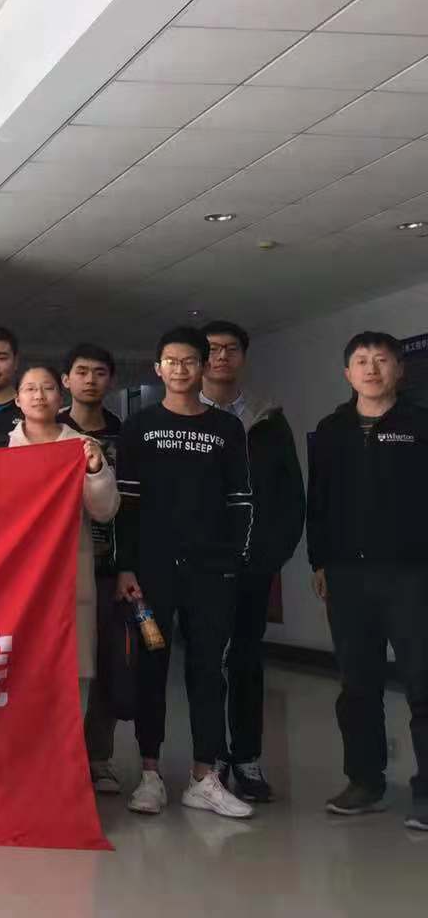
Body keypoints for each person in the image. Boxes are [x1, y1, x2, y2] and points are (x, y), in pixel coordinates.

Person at [115, 326, 254, 820]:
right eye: (171, 361)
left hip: (211, 572)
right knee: (151, 666)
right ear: (158, 369)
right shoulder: (139, 426)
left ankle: (203, 777)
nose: (180, 368)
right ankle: (150, 774)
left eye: (189, 360)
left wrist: (234, 559)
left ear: (203, 366)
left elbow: (241, 500)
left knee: (207, 671)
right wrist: (125, 565)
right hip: (151, 574)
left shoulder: (227, 429)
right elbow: (125, 504)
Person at [307, 331, 428, 831]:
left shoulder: (420, 424)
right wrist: (319, 562)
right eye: (361, 361)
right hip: (347, 576)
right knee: (357, 685)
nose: (372, 369)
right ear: (347, 373)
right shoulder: (331, 429)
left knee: (423, 681)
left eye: (381, 360)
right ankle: (365, 782)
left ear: (399, 369)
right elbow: (318, 500)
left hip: (412, 575)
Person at [200, 319, 305, 803]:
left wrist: (272, 553)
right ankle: (211, 756)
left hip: (252, 564)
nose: (221, 356)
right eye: (212, 349)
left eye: (231, 349)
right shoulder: (183, 417)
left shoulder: (269, 419)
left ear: (242, 357)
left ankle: (247, 757)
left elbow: (290, 494)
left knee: (246, 659)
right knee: (204, 662)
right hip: (200, 565)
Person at [0, 367, 117, 695]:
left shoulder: (82, 446)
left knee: (69, 680)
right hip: (15, 576)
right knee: (17, 677)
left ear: (60, 397)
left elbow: (104, 511)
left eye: (47, 388)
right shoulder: (0, 446)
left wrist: (95, 470)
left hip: (68, 575)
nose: (39, 396)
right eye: (30, 389)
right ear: (17, 399)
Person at [58, 343, 125, 794]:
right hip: (57, 571)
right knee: (60, 668)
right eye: (81, 371)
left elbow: (130, 505)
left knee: (106, 665)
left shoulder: (125, 434)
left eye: (99, 372)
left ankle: (98, 757)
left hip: (110, 566)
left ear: (110, 380)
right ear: (66, 380)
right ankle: (58, 758)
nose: (89, 380)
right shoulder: (52, 434)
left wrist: (130, 566)